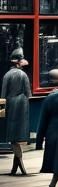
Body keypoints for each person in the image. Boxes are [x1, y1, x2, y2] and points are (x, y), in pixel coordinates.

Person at [2, 48, 31, 176]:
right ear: (19, 63)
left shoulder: (6, 75)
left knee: (12, 134)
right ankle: (19, 162)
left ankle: (17, 163)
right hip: (23, 105)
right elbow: (28, 93)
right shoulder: (24, 75)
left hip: (11, 104)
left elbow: (3, 95)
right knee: (19, 135)